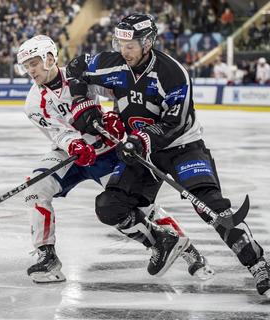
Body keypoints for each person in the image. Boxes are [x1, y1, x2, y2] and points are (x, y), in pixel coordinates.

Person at [66, 14, 270, 297]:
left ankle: (257, 262)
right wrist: (84, 106)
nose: (124, 51)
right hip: (142, 153)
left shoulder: (172, 73)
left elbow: (177, 122)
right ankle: (162, 240)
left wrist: (141, 139)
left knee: (211, 207)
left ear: (148, 43)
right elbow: (75, 69)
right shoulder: (111, 63)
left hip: (182, 148)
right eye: (120, 44)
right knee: (109, 207)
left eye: (131, 45)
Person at [16, 35, 213, 283]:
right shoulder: (33, 103)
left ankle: (187, 250)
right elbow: (58, 133)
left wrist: (117, 117)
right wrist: (73, 143)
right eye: (26, 66)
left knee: (138, 207)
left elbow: (124, 92)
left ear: (50, 58)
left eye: (34, 63)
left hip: (108, 152)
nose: (31, 71)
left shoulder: (82, 75)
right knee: (35, 188)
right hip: (72, 155)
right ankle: (47, 258)